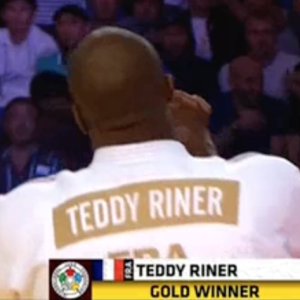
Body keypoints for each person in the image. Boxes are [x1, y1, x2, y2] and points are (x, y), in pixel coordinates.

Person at [0, 28, 300, 300]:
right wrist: (204, 154)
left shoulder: (23, 217)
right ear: (169, 91)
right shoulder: (272, 185)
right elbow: (272, 282)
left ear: (79, 118)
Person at [211, 56, 288, 158]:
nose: (256, 87)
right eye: (249, 81)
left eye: (260, 81)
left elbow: (280, 155)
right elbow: (209, 150)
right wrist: (236, 127)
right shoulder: (214, 107)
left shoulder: (276, 108)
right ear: (232, 82)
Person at [219, 11, 300, 100]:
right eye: (254, 33)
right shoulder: (229, 70)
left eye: (267, 32)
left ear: (275, 35)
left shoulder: (294, 64)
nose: (261, 38)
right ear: (246, 36)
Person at [0, 0, 58, 108]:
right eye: (11, 9)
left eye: (23, 10)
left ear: (33, 14)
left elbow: (49, 83)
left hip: (30, 103)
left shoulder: (45, 43)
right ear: (3, 14)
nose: (17, 15)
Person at [0, 97, 64, 193]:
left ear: (37, 123)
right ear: (5, 123)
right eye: (15, 117)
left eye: (28, 117)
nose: (22, 124)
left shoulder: (52, 161)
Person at [36, 4, 91, 76]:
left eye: (73, 23)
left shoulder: (97, 62)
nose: (66, 29)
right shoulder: (45, 65)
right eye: (60, 24)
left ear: (87, 27)